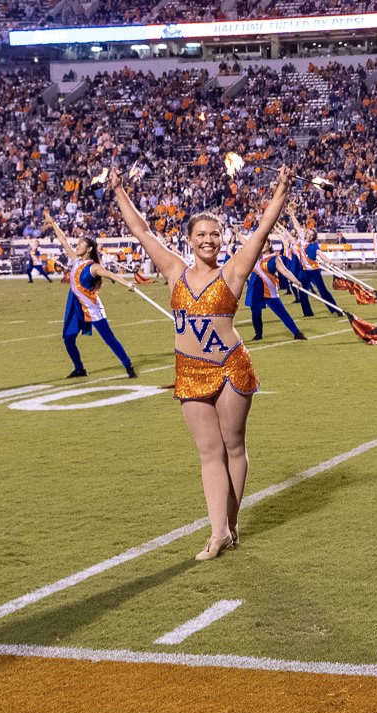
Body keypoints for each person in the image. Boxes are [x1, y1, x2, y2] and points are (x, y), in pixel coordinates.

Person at [109, 164, 292, 561]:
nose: (208, 240)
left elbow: (262, 230)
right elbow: (141, 231)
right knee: (209, 452)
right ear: (189, 240)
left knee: (233, 446)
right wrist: (120, 190)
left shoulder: (234, 270)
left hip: (230, 367)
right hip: (189, 369)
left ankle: (231, 522)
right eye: (201, 235)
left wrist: (280, 189)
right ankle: (218, 532)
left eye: (214, 234)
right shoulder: (174, 270)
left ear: (222, 239)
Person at [45, 213, 138, 379]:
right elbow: (63, 240)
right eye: (79, 243)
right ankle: (79, 368)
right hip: (75, 306)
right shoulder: (75, 260)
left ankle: (128, 365)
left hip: (92, 308)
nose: (78, 246)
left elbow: (111, 275)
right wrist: (53, 223)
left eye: (82, 244)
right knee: (68, 338)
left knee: (109, 339)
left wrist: (129, 284)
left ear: (89, 249)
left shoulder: (93, 267)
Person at [246, 237, 308, 341]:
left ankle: (296, 332)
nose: (262, 245)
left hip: (269, 290)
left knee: (282, 312)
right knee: (255, 313)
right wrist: (237, 233)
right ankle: (258, 333)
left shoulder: (274, 258)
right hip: (255, 290)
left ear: (269, 244)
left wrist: (296, 281)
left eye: (265, 243)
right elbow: (246, 244)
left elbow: (285, 271)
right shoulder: (255, 257)